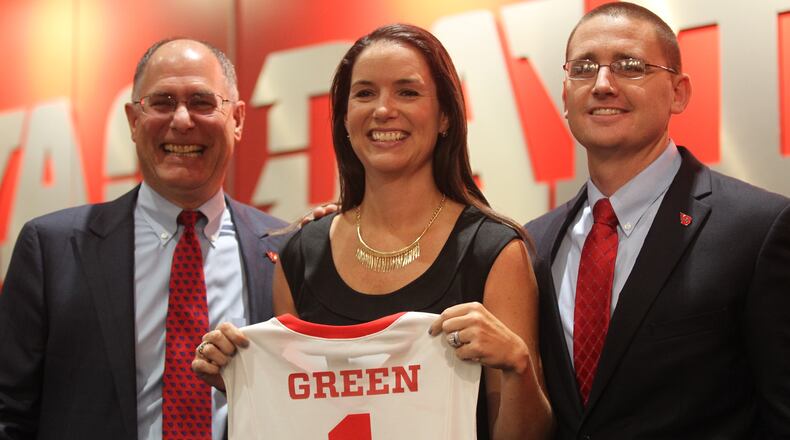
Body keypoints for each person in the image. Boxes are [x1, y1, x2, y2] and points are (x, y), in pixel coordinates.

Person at [193, 24, 553, 439]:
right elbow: (299, 418)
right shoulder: (300, 256)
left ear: (446, 116)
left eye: (407, 92)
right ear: (345, 119)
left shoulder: (494, 252)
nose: (383, 109)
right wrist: (247, 381)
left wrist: (518, 367)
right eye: (365, 93)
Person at [524, 3, 790, 439]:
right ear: (565, 96)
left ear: (679, 92)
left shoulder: (758, 229)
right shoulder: (533, 242)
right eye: (584, 68)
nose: (603, 84)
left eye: (630, 66)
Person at [0, 39, 287, 440]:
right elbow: (10, 412)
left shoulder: (287, 250)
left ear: (237, 119)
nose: (183, 120)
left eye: (203, 102)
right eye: (163, 102)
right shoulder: (51, 250)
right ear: (134, 121)